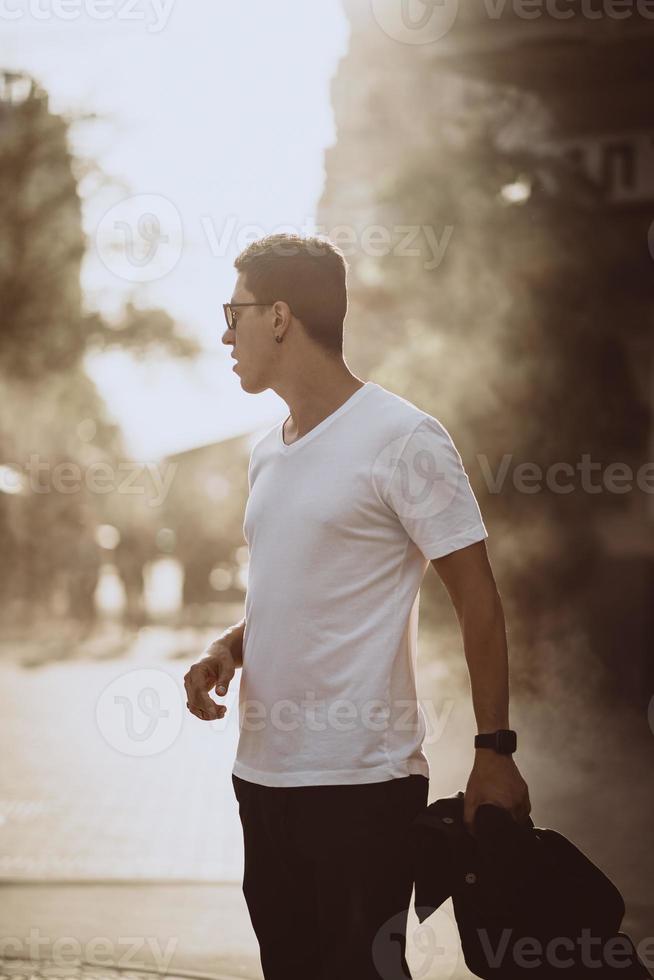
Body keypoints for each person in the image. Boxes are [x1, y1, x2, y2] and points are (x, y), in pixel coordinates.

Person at [184, 234, 531, 980]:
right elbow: (302, 588)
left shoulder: (403, 438)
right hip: (262, 778)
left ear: (279, 317)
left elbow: (477, 598)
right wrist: (230, 647)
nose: (225, 332)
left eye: (234, 311)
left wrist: (493, 751)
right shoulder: (267, 451)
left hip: (361, 786)